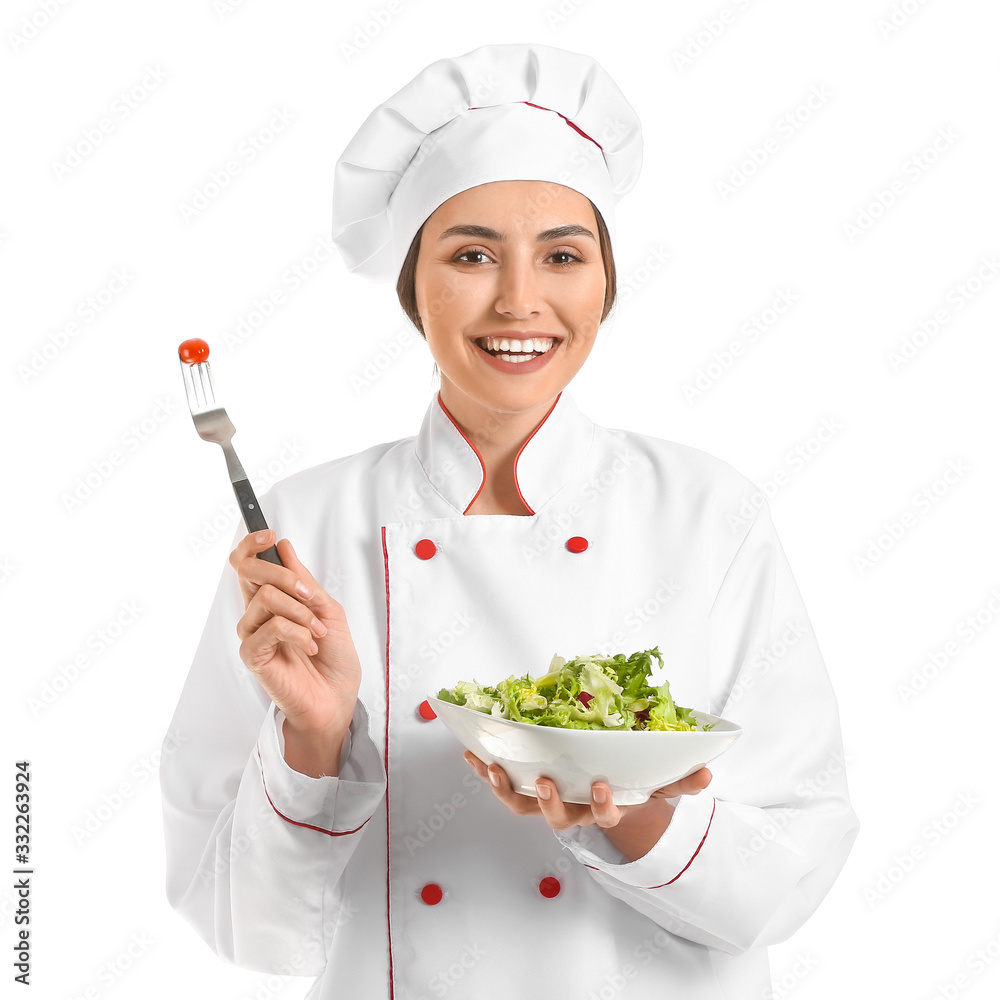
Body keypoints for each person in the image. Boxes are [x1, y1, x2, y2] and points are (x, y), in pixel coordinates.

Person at [160, 42, 860, 999]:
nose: (521, 300)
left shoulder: (708, 512)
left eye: (564, 255)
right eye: (473, 254)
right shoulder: (304, 527)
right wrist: (315, 742)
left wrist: (625, 815)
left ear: (605, 283)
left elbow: (792, 870)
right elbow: (246, 927)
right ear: (415, 286)